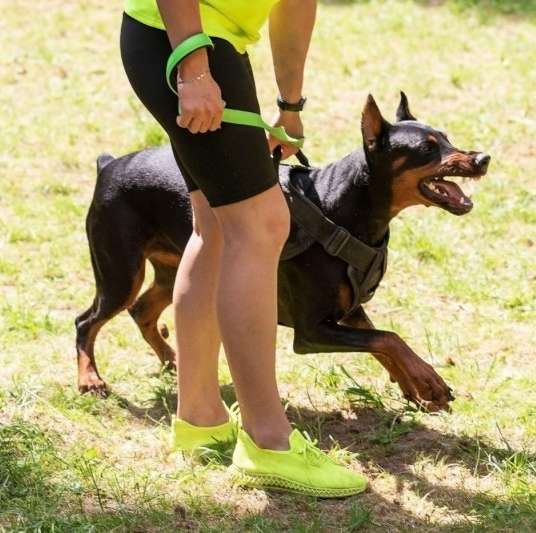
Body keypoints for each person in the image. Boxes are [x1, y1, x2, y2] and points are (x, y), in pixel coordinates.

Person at [119, 0, 367, 497]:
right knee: (259, 226)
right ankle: (267, 440)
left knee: (215, 226)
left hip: (205, 46)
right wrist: (192, 68)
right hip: (186, 42)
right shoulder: (193, 57)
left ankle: (200, 419)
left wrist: (291, 105)